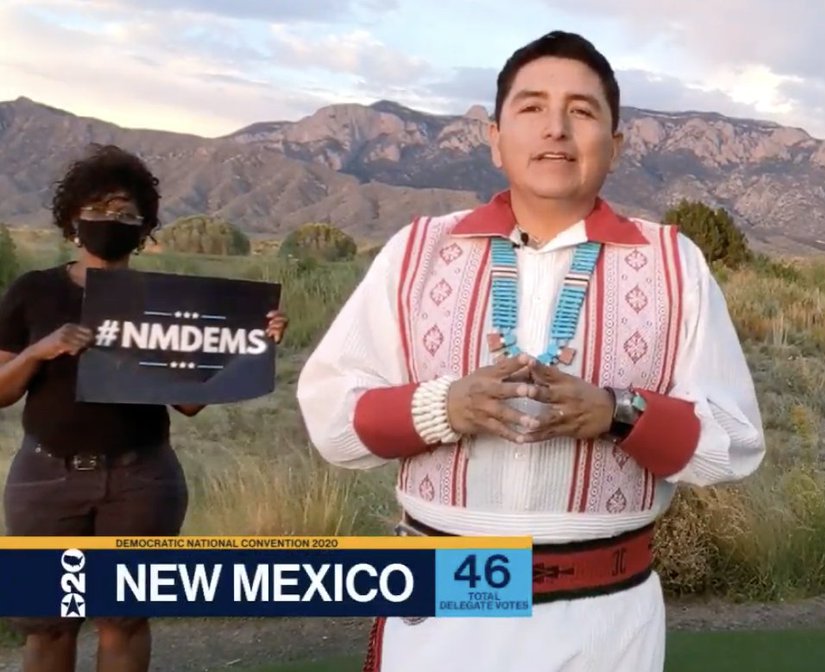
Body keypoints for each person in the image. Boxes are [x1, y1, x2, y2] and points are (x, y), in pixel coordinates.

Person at [296, 30, 765, 672]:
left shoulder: (673, 263)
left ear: (615, 144)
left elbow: (735, 442)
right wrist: (444, 408)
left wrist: (618, 413)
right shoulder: (418, 251)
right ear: (494, 138)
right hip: (441, 607)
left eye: (581, 110)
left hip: (604, 619)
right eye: (532, 106)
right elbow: (331, 418)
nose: (556, 129)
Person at [0, 144, 289, 672]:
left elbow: (190, 401)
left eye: (124, 212)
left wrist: (255, 341)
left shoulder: (164, 302)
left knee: (125, 619)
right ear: (72, 220)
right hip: (45, 479)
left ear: (144, 228)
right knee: (48, 625)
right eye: (97, 209)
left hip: (141, 479)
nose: (110, 220)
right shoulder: (33, 291)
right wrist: (40, 351)